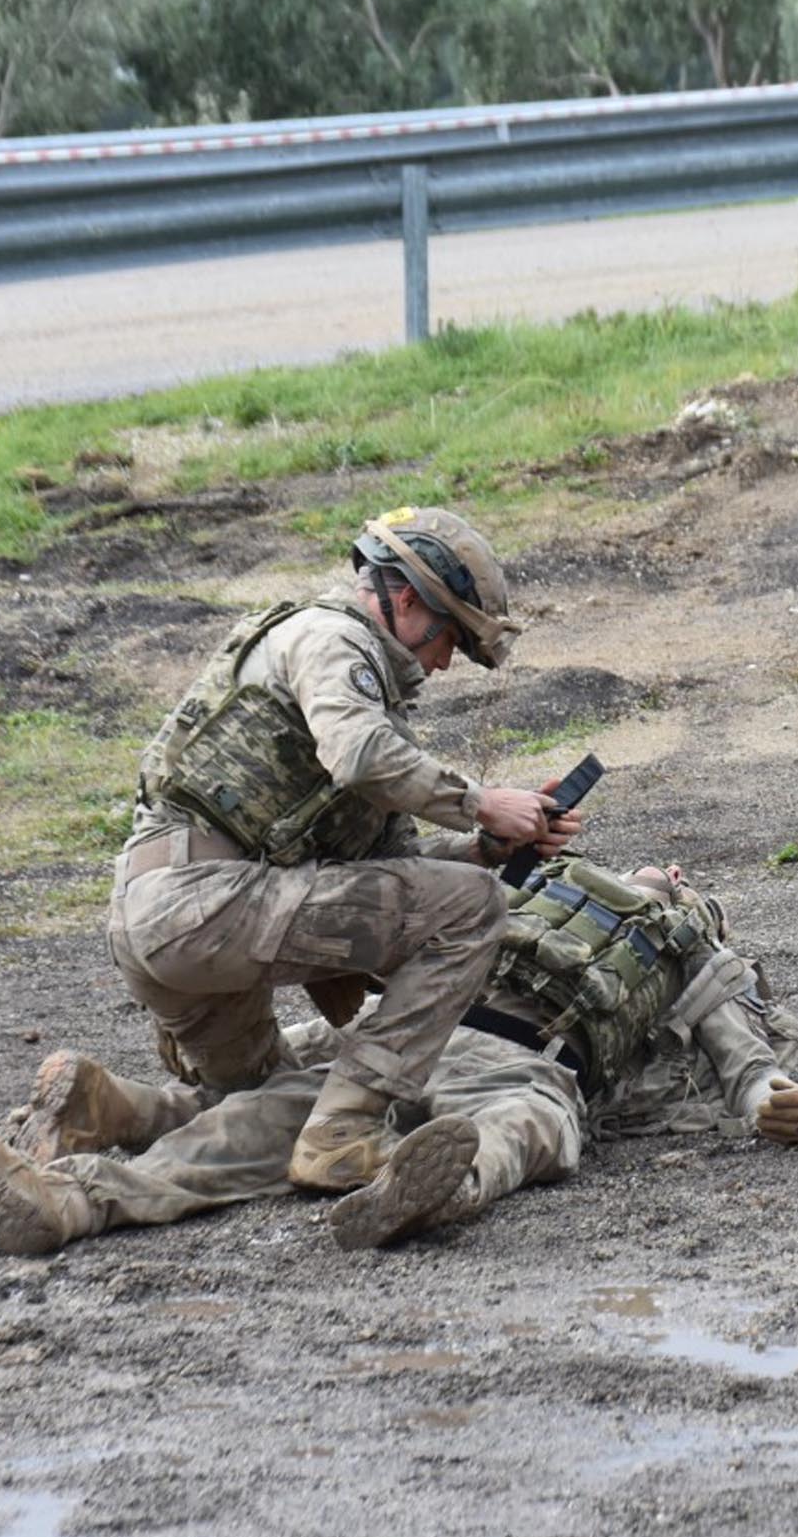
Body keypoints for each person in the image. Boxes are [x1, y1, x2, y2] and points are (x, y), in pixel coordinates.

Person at [0, 858, 798, 1256]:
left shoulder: (689, 952)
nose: (673, 874)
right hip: (401, 1047)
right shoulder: (508, 893)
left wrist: (774, 1097)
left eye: (691, 883)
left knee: (517, 1132)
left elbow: (738, 1050)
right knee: (251, 1126)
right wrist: (298, 1054)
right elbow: (396, 979)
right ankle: (62, 1205)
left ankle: (426, 1196)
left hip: (531, 1066)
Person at [83, 503, 577, 1205]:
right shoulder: (330, 639)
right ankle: (346, 1130)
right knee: (477, 910)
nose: (443, 665)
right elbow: (360, 755)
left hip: (164, 926)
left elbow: (396, 878)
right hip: (205, 910)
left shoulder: (335, 668)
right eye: (450, 641)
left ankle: (88, 1133)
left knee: (264, 1102)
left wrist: (487, 847)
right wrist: (481, 800)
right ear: (405, 599)